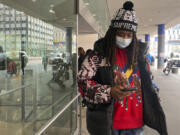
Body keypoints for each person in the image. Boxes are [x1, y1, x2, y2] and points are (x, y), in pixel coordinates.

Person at [78, 1, 167, 135]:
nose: (125, 38)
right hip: (107, 125)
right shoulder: (96, 57)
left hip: (136, 125)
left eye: (129, 35)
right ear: (112, 32)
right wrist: (109, 92)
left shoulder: (140, 57)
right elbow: (82, 83)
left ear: (134, 36)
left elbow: (148, 80)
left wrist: (152, 96)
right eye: (121, 34)